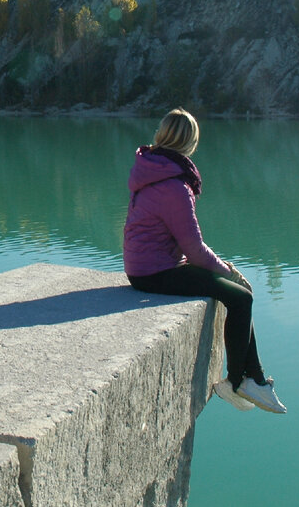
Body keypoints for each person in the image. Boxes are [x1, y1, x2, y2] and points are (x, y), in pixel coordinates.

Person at [123, 107, 287, 414]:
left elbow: (185, 245)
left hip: (146, 265)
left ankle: (254, 380)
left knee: (240, 295)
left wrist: (225, 270)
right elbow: (195, 250)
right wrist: (231, 274)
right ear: (190, 142)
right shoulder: (173, 184)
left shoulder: (152, 167)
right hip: (155, 272)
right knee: (240, 298)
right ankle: (239, 382)